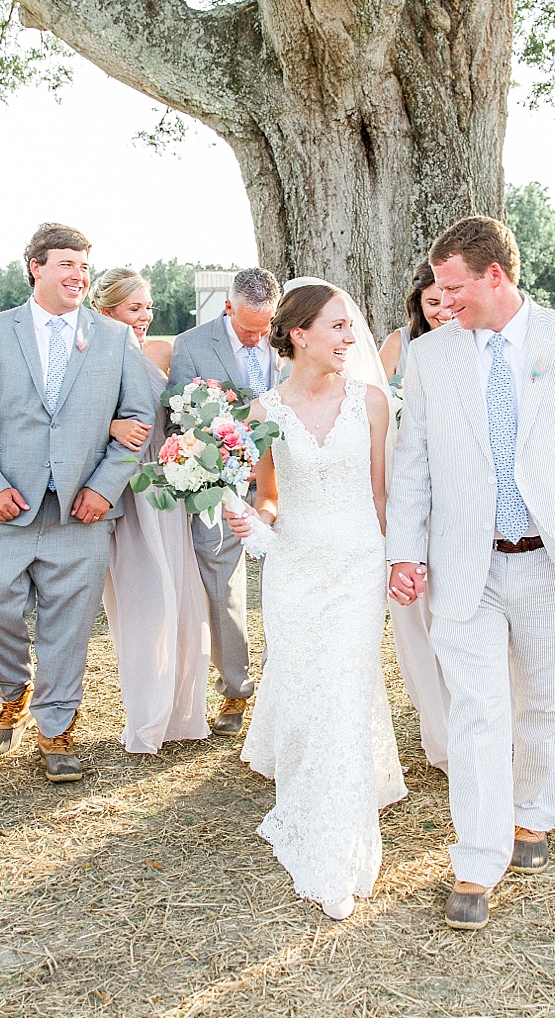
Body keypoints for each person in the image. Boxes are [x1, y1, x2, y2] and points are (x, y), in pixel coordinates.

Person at [387, 215, 555, 931]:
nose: (444, 297)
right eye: (438, 285)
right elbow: (413, 461)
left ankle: (533, 816)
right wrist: (406, 547)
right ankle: (476, 856)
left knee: (550, 704)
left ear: (497, 275)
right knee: (477, 711)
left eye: (455, 285)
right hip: (468, 564)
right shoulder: (430, 356)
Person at [0, 224, 157, 785]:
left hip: (80, 512)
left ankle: (56, 727)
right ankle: (11, 689)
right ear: (35, 267)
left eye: (84, 267)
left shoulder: (113, 339)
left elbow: (138, 420)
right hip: (3, 507)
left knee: (69, 623)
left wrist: (104, 488)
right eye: (66, 264)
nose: (78, 276)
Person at [223, 282, 405, 921]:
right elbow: (270, 493)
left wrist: (397, 562)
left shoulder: (374, 403)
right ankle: (311, 788)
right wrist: (255, 519)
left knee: (345, 683)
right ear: (299, 334)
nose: (349, 339)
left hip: (358, 564)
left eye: (350, 328)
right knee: (305, 680)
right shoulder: (264, 410)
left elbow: (384, 495)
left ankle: (339, 834)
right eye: (336, 328)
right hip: (296, 567)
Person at [91, 268, 212, 755]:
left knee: (181, 598)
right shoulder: (95, 358)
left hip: (169, 489)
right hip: (127, 489)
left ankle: (183, 712)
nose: (143, 317)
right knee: (141, 605)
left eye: (147, 307)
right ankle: (146, 715)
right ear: (106, 312)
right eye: (132, 308)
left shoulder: (162, 351)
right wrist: (112, 425)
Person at [167, 268, 282, 737]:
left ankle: (291, 687)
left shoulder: (289, 334)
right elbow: (178, 417)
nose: (259, 339)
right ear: (228, 307)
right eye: (249, 329)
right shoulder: (192, 345)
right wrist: (220, 469)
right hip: (224, 483)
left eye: (266, 328)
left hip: (290, 478)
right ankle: (236, 689)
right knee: (222, 586)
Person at [377, 262, 454, 771]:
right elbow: (374, 410)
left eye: (448, 299)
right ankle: (439, 731)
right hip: (408, 494)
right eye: (431, 303)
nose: (443, 311)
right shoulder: (399, 345)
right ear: (418, 306)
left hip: (457, 502)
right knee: (416, 623)